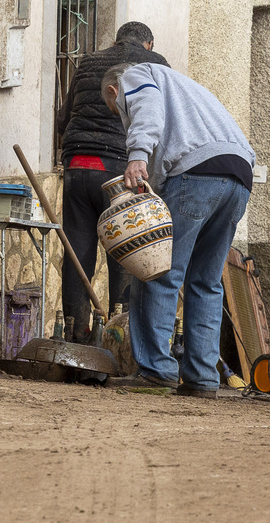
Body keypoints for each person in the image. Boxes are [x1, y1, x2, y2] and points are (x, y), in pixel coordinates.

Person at [100, 61, 254, 398]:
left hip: (196, 175)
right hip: (240, 176)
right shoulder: (185, 87)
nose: (121, 117)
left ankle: (156, 372)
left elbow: (148, 110)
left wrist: (137, 154)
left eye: (117, 111)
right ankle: (201, 378)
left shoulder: (136, 76)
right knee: (206, 282)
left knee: (158, 272)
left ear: (113, 91)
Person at [55, 21, 169, 342]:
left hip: (78, 164)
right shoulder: (155, 63)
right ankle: (119, 336)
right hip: (122, 168)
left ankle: (75, 333)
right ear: (149, 44)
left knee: (77, 250)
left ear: (116, 41)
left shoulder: (88, 62)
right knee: (128, 248)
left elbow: (63, 120)